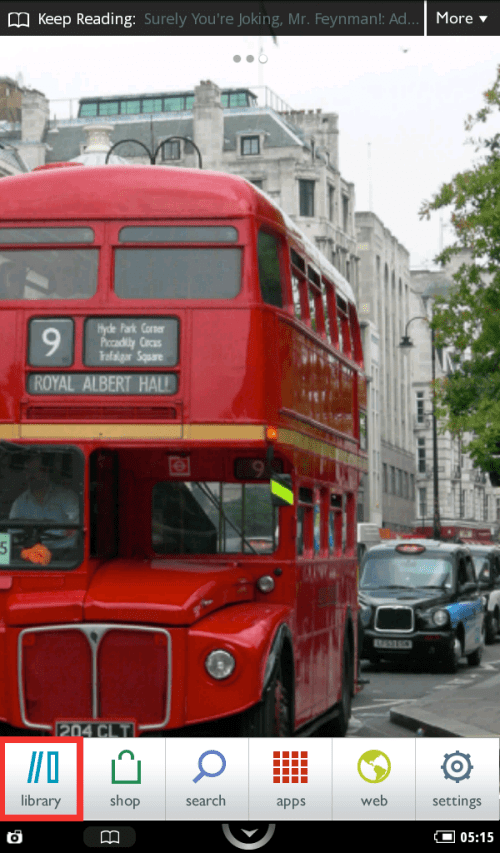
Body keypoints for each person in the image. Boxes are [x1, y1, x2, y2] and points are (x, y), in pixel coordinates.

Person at [9, 455, 79, 553]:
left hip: (64, 557)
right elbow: (13, 535)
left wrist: (71, 527)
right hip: (30, 556)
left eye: (34, 471)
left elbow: (75, 527)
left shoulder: (66, 497)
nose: (30, 476)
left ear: (45, 471)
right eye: (27, 471)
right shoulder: (19, 503)